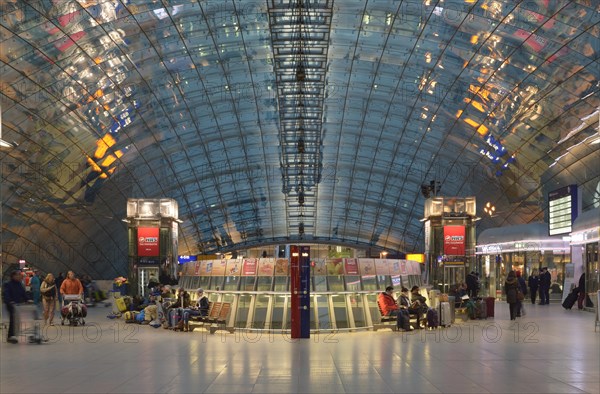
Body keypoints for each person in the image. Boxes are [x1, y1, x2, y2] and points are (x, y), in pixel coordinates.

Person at [2, 270, 28, 344]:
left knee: (16, 319)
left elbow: (23, 293)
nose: (19, 276)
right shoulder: (8, 284)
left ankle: (13, 335)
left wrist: (28, 299)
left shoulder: (19, 284)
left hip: (16, 304)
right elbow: (6, 294)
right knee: (13, 319)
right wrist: (9, 301)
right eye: (18, 275)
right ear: (13, 276)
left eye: (19, 275)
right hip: (10, 304)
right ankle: (11, 336)